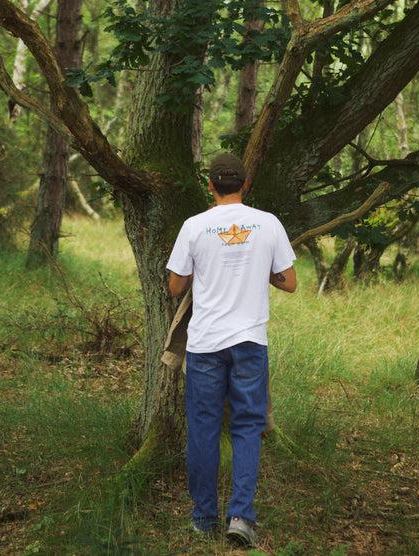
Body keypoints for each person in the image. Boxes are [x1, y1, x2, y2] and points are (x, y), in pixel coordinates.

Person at [166, 151, 297, 547]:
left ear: (210, 185)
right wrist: (261, 274)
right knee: (246, 428)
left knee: (203, 429)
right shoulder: (268, 223)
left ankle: (204, 518)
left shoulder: (195, 226)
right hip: (250, 342)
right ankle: (240, 516)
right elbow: (289, 281)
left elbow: (175, 287)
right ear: (244, 184)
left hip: (205, 344)